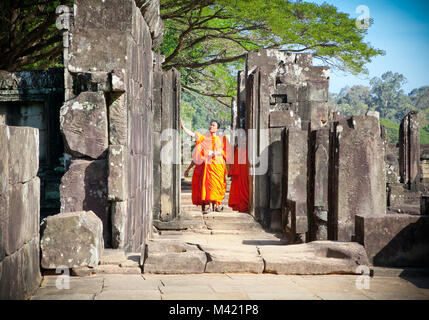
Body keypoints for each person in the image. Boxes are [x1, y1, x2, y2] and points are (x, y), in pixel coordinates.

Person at [181, 119, 230, 214]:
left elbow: (227, 152)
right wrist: (183, 127)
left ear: (218, 128)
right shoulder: (205, 137)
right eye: (210, 125)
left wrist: (217, 153)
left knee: (218, 185)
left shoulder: (222, 139)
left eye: (213, 125)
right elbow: (193, 134)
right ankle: (210, 206)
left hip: (219, 166)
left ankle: (216, 204)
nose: (211, 126)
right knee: (209, 185)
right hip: (208, 166)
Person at [228, 133, 249, 213]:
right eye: (240, 140)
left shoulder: (247, 150)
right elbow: (230, 159)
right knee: (238, 189)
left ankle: (245, 205)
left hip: (244, 172)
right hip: (238, 173)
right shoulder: (236, 150)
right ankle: (240, 206)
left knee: (245, 187)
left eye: (243, 140)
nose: (242, 142)